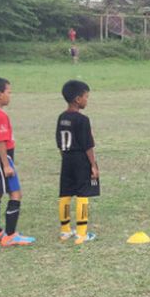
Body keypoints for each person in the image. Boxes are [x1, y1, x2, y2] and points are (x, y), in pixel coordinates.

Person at [0, 78, 35, 246]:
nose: (10, 95)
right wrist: (6, 165)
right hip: (2, 156)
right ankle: (10, 235)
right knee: (16, 193)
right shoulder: (0, 115)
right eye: (9, 92)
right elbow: (1, 141)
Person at [56, 80, 100, 244]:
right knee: (83, 194)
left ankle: (65, 231)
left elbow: (59, 142)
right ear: (77, 99)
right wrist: (93, 165)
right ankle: (81, 234)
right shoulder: (82, 119)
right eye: (86, 97)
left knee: (65, 194)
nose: (87, 100)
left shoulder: (62, 117)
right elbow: (88, 145)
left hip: (66, 158)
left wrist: (66, 158)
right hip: (81, 159)